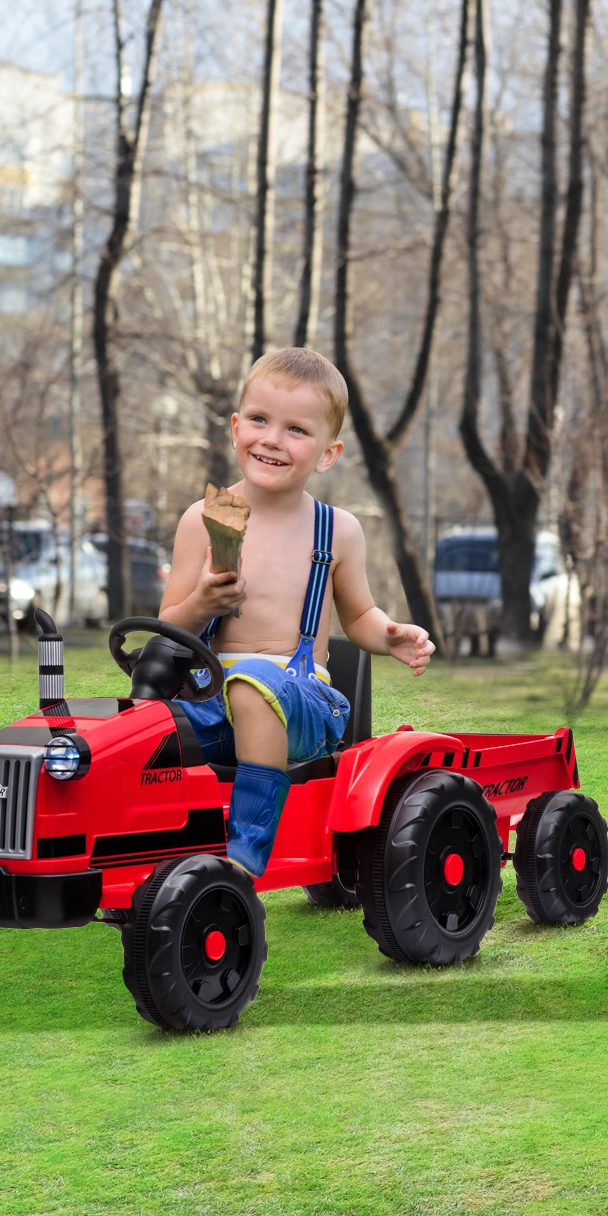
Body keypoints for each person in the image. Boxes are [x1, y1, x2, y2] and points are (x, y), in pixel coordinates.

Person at [157, 347, 434, 877]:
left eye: (296, 430)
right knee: (141, 723)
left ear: (327, 454)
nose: (272, 439)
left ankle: (245, 852)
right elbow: (171, 627)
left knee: (254, 685)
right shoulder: (204, 518)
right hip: (210, 695)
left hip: (303, 700)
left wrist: (389, 635)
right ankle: (140, 851)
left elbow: (358, 615)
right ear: (236, 427)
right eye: (259, 420)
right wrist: (201, 604)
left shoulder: (337, 531)